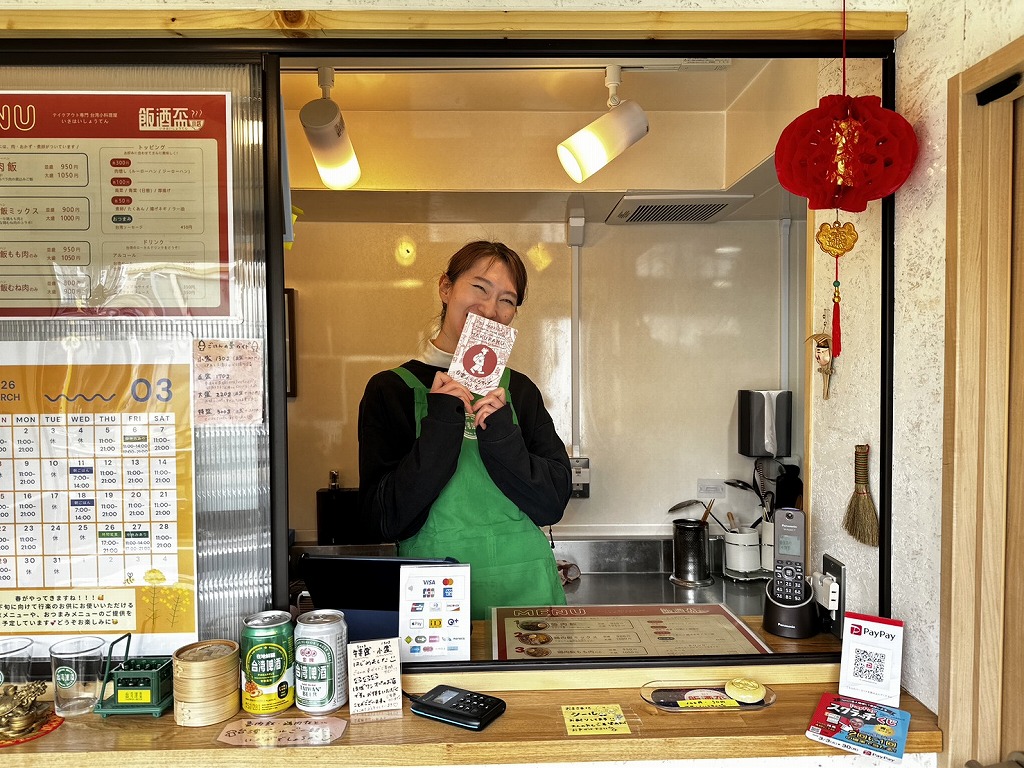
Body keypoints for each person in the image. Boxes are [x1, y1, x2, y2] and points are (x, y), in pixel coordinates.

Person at [357, 240, 571, 619]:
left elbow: (551, 503)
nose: (490, 310)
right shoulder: (390, 389)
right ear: (445, 287)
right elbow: (386, 519)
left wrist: (502, 434)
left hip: (525, 598)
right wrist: (441, 422)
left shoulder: (517, 391)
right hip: (436, 606)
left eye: (507, 300)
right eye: (479, 288)